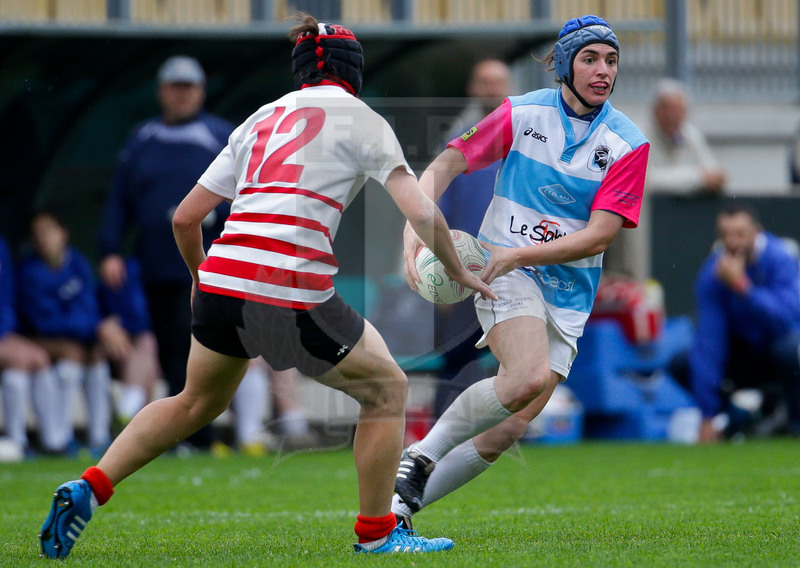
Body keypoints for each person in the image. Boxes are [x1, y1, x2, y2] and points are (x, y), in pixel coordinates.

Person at [38, 14, 495, 559]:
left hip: (222, 283)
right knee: (387, 391)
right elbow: (421, 210)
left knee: (193, 403)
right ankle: (380, 534)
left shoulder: (257, 119)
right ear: (354, 71)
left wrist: (198, 280)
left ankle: (91, 485)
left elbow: (186, 218)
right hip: (287, 290)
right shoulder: (363, 119)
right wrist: (458, 268)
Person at [392, 15, 649, 525]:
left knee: (506, 429)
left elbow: (599, 236)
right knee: (527, 374)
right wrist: (412, 232)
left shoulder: (628, 143)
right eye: (590, 58)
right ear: (563, 65)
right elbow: (445, 164)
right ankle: (419, 456)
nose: (603, 70)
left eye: (611, 60)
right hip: (500, 265)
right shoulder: (521, 112)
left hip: (568, 290)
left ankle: (394, 512)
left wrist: (521, 255)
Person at [97, 55, 233, 449]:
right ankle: (182, 435)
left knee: (197, 345)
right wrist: (110, 249)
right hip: (156, 264)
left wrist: (213, 217)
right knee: (166, 344)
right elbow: (120, 200)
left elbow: (245, 192)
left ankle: (199, 435)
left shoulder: (220, 135)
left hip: (209, 264)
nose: (182, 95)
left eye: (188, 88)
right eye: (175, 87)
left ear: (201, 92)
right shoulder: (142, 139)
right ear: (162, 92)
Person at [668, 204, 800, 442]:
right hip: (741, 356)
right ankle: (734, 419)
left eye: (739, 234)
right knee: (683, 362)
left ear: (756, 232)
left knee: (790, 350)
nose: (732, 241)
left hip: (780, 352)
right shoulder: (713, 274)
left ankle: (794, 423)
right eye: (725, 234)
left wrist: (743, 287)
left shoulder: (780, 258)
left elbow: (784, 321)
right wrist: (707, 416)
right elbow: (710, 341)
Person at [432, 59, 512, 417]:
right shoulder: (457, 146)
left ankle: (507, 431)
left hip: (516, 268)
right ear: (473, 89)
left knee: (516, 354)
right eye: (484, 82)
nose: (491, 90)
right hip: (465, 270)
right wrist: (442, 270)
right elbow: (437, 213)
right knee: (458, 357)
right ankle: (443, 428)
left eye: (498, 83)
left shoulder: (524, 143)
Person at [605, 78, 727, 280]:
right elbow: (643, 180)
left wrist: (709, 177)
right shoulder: (637, 133)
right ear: (656, 110)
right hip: (637, 226)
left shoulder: (688, 133)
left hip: (676, 233)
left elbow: (712, 172)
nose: (674, 116)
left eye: (679, 110)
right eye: (668, 110)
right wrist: (696, 178)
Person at [18, 211, 112, 455]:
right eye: (37, 234)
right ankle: (59, 439)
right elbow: (42, 322)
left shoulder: (77, 262)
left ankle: (98, 437)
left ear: (63, 233)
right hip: (37, 338)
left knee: (97, 353)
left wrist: (93, 332)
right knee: (72, 354)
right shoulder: (30, 272)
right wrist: (90, 330)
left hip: (78, 336)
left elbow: (89, 306)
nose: (43, 238)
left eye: (48, 231)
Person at [0, 235, 62, 455]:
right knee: (20, 358)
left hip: (4, 332)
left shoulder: (2, 246)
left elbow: (5, 299)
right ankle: (16, 440)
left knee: (38, 358)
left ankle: (54, 441)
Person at [96, 258, 162, 425]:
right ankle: (129, 417)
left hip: (132, 349)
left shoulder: (137, 272)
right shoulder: (82, 270)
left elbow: (140, 322)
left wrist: (118, 325)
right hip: (88, 345)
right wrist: (101, 325)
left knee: (147, 346)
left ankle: (128, 414)